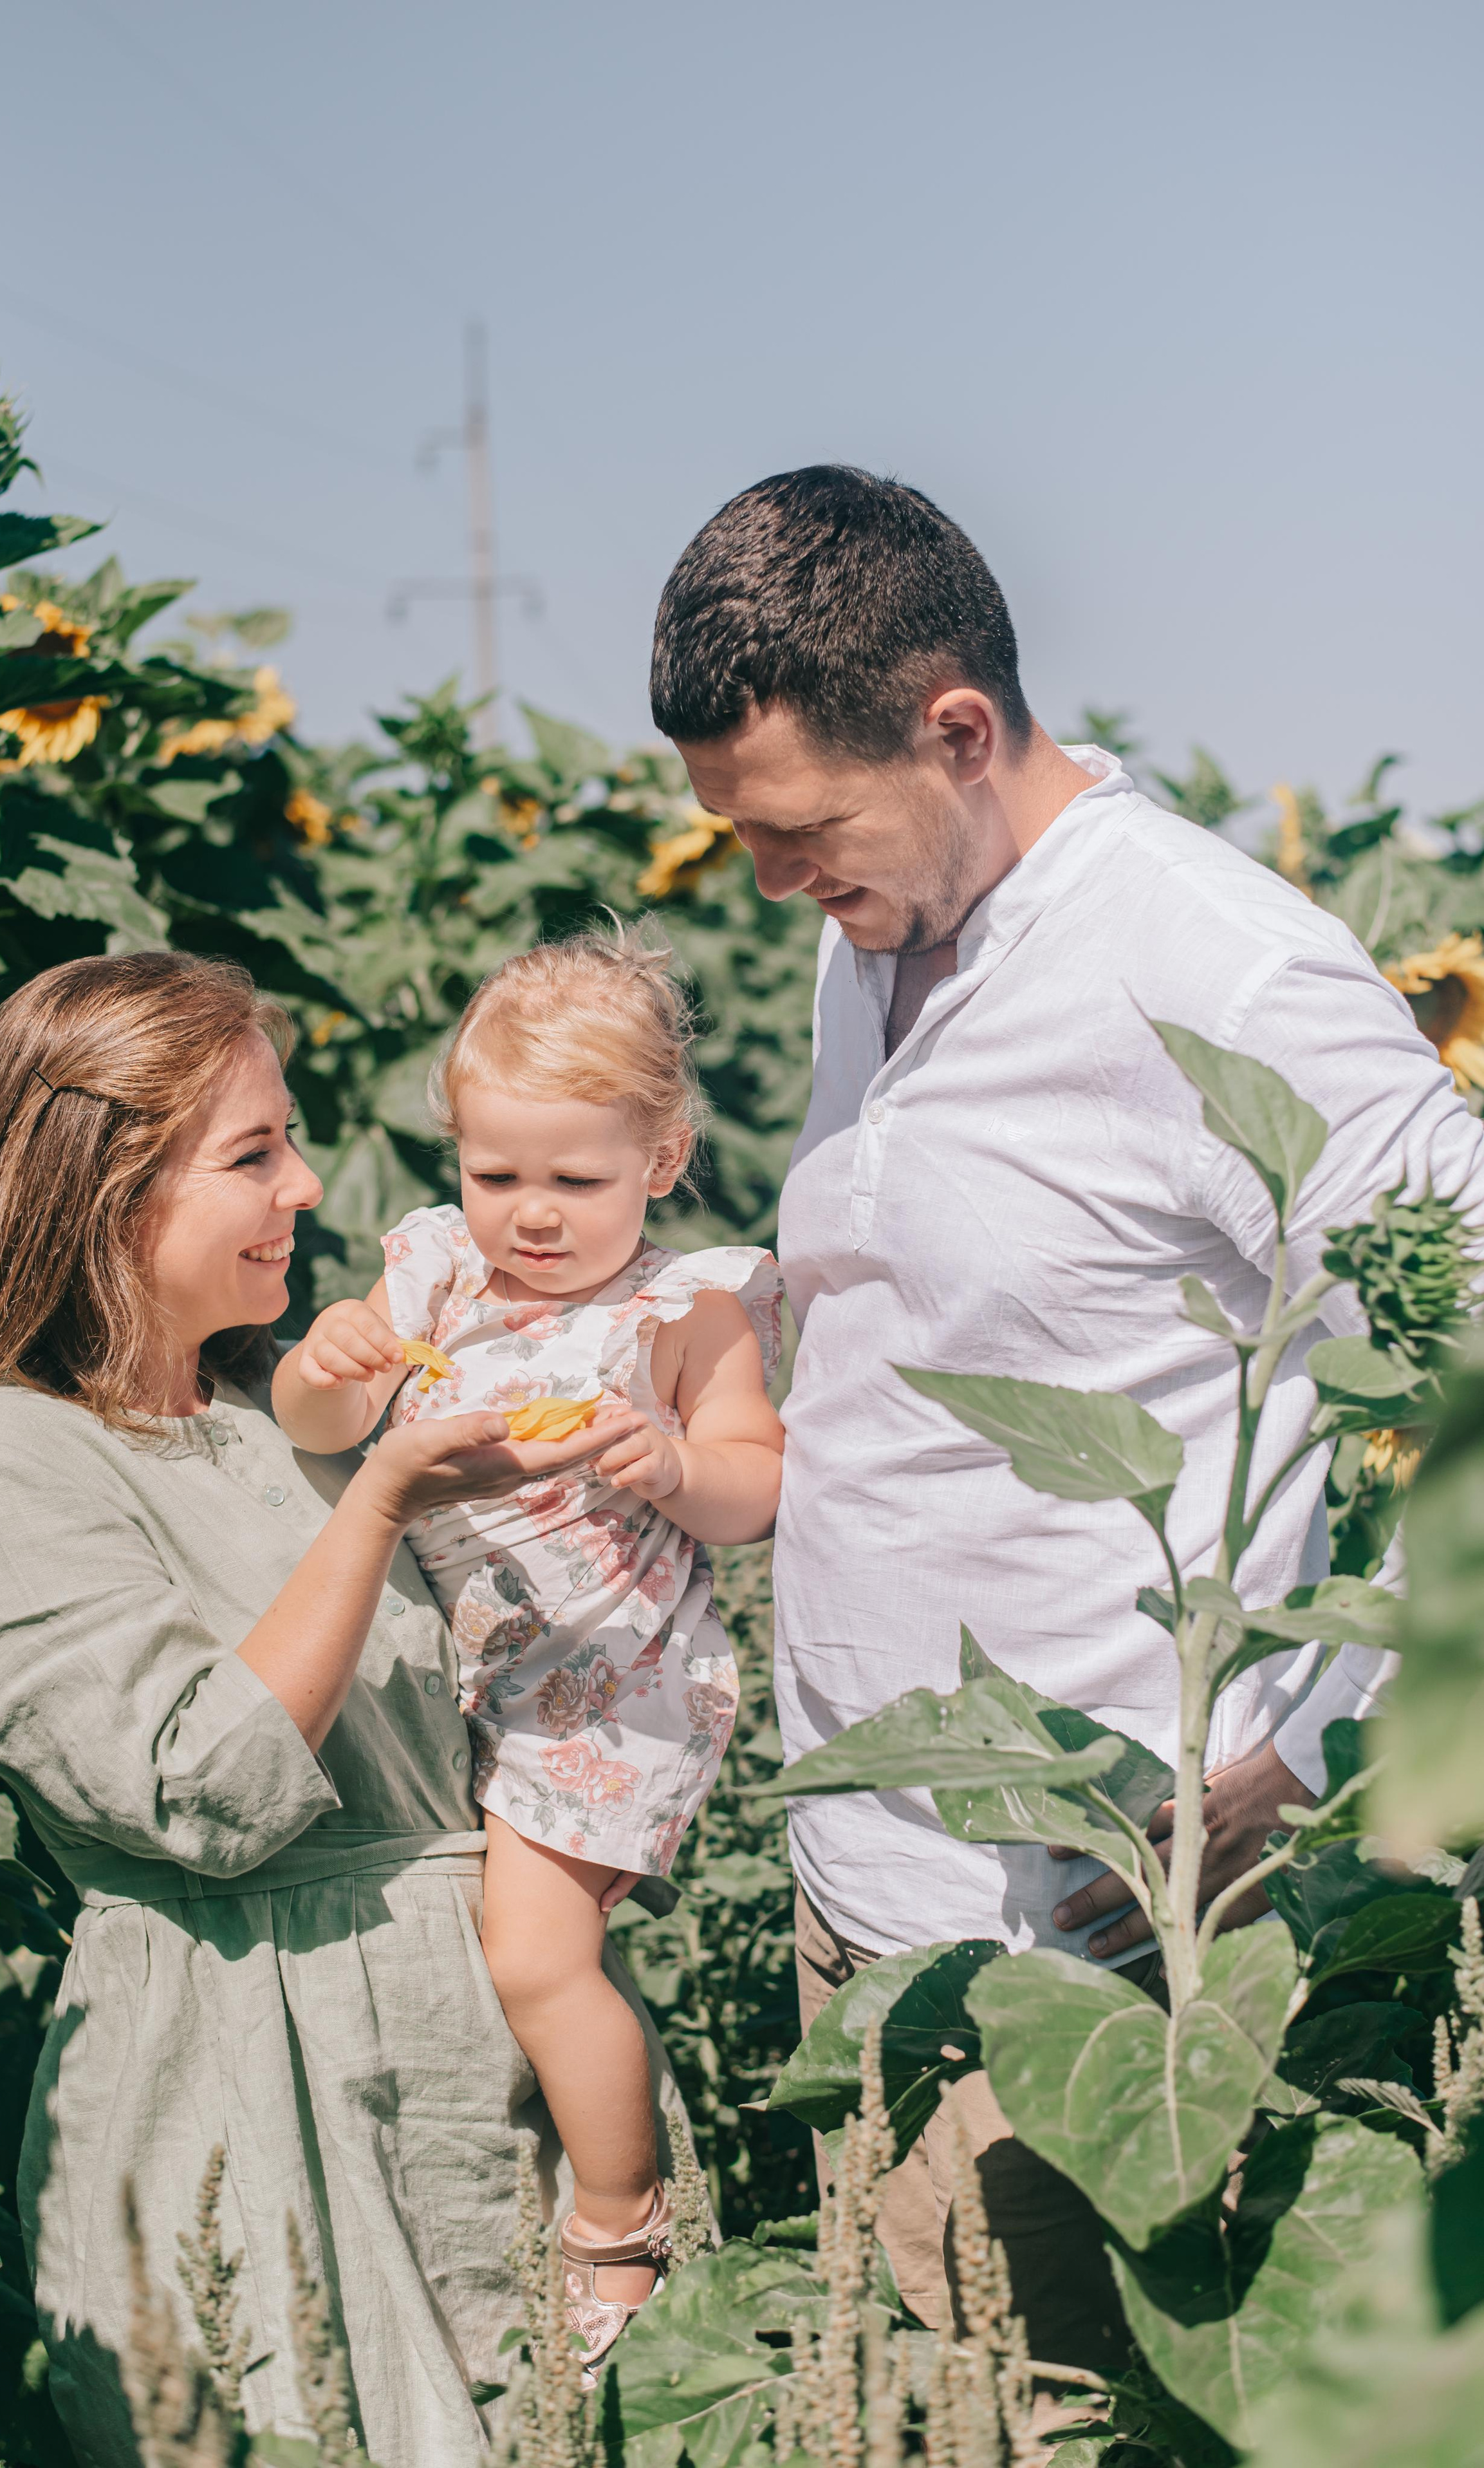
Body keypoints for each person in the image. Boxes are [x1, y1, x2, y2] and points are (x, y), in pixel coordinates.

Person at [647, 464, 1484, 2363]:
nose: (768, 879)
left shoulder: (1219, 966)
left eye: (797, 830)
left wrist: (1316, 1750)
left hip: (1101, 1954)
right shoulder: (878, 920)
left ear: (957, 729)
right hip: (872, 1905)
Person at [0, 949, 694, 2465]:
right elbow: (197, 1787)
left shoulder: (290, 1413)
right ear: (105, 1189)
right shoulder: (5, 1453)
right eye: (253, 1153)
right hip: (248, 2077)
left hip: (478, 2080)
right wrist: (381, 1500)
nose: (308, 1187)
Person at [272, 926, 784, 2376]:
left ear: (662, 1161)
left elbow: (757, 1486)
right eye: (494, 1176)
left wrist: (672, 1461)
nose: (531, 1218)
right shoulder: (436, 1275)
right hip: (462, 1665)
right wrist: (326, 1371)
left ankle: (616, 2224)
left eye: (575, 1180)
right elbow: (321, 1431)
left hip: (609, 1686)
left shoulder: (680, 1307)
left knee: (538, 1956)